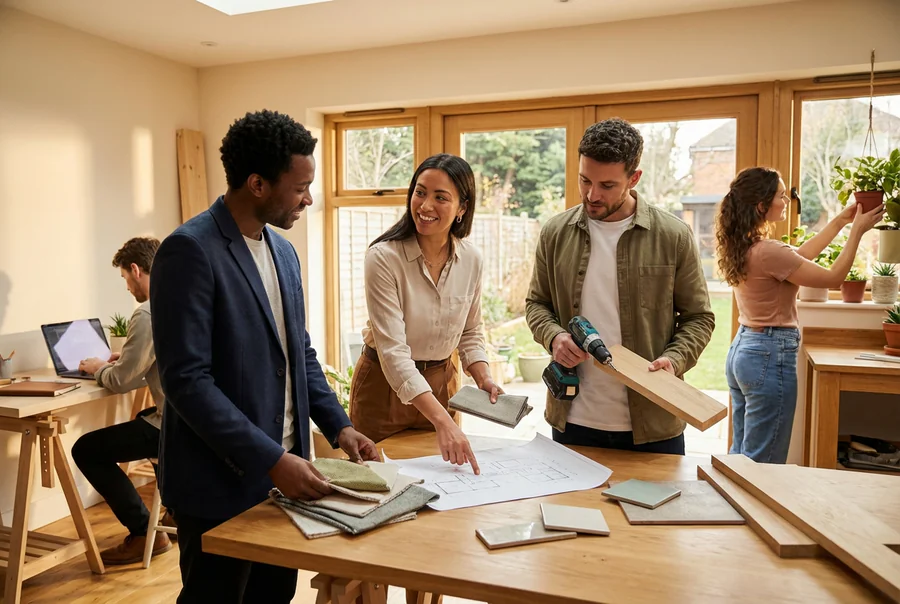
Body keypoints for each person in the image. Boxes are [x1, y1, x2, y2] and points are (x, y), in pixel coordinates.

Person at [150, 109, 378, 604]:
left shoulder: (283, 250)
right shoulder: (188, 251)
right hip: (220, 482)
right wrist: (271, 458)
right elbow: (187, 381)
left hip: (286, 476)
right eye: (300, 188)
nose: (309, 199)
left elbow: (299, 353)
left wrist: (338, 426)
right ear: (256, 184)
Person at [526, 117, 715, 455]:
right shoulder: (555, 233)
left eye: (607, 185)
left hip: (654, 424)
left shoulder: (672, 236)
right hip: (572, 421)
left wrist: (674, 360)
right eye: (585, 180)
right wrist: (554, 337)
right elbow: (536, 304)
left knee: (657, 511)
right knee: (573, 510)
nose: (592, 194)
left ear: (634, 178)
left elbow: (699, 318)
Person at [716, 167, 883, 463]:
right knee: (763, 462)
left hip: (744, 351)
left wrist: (841, 222)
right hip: (768, 353)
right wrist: (857, 231)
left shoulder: (747, 245)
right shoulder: (768, 251)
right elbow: (833, 278)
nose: (786, 201)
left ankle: (733, 509)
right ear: (761, 205)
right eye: (781, 196)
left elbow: (800, 257)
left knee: (742, 457)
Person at [350, 154, 501, 475]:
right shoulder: (383, 258)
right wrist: (444, 421)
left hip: (443, 384)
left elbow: (471, 331)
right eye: (420, 192)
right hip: (383, 389)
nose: (425, 205)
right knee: (380, 484)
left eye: (440, 197)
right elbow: (393, 353)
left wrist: (483, 376)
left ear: (462, 208)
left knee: (446, 485)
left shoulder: (471, 259)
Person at [72, 236, 173, 565]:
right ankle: (175, 512)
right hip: (197, 421)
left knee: (85, 449)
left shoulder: (146, 312)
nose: (128, 288)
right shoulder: (182, 298)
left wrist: (99, 367)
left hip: (174, 427)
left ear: (135, 270)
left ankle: (146, 531)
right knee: (143, 417)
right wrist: (129, 356)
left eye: (125, 280)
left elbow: (120, 381)